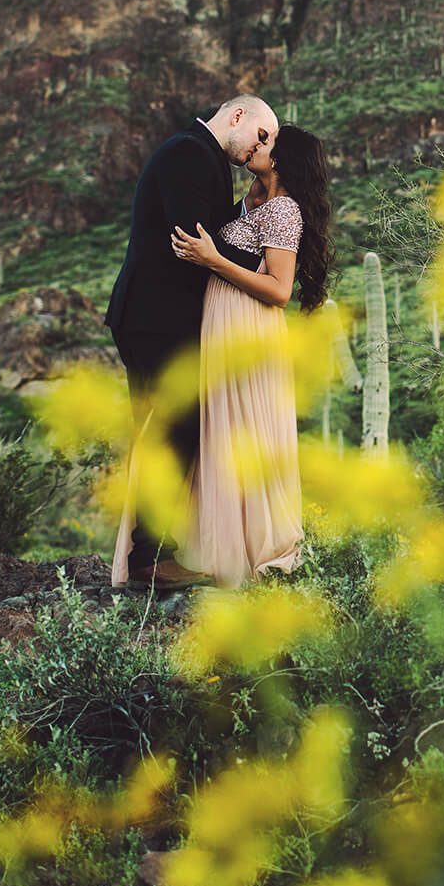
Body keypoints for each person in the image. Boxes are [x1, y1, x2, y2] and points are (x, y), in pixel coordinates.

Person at [103, 94, 277, 590]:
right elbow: (195, 237)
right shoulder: (188, 152)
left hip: (155, 314)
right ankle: (149, 559)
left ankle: (148, 554)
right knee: (173, 427)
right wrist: (262, 271)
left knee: (168, 427)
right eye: (260, 136)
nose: (257, 150)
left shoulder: (200, 153)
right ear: (238, 116)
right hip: (154, 315)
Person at [169, 123, 331, 588]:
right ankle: (222, 548)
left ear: (283, 159)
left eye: (268, 143)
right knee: (222, 432)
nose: (257, 146)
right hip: (221, 323)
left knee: (247, 432)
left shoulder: (283, 210)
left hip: (249, 328)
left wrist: (212, 260)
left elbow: (280, 291)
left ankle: (260, 551)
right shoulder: (248, 202)